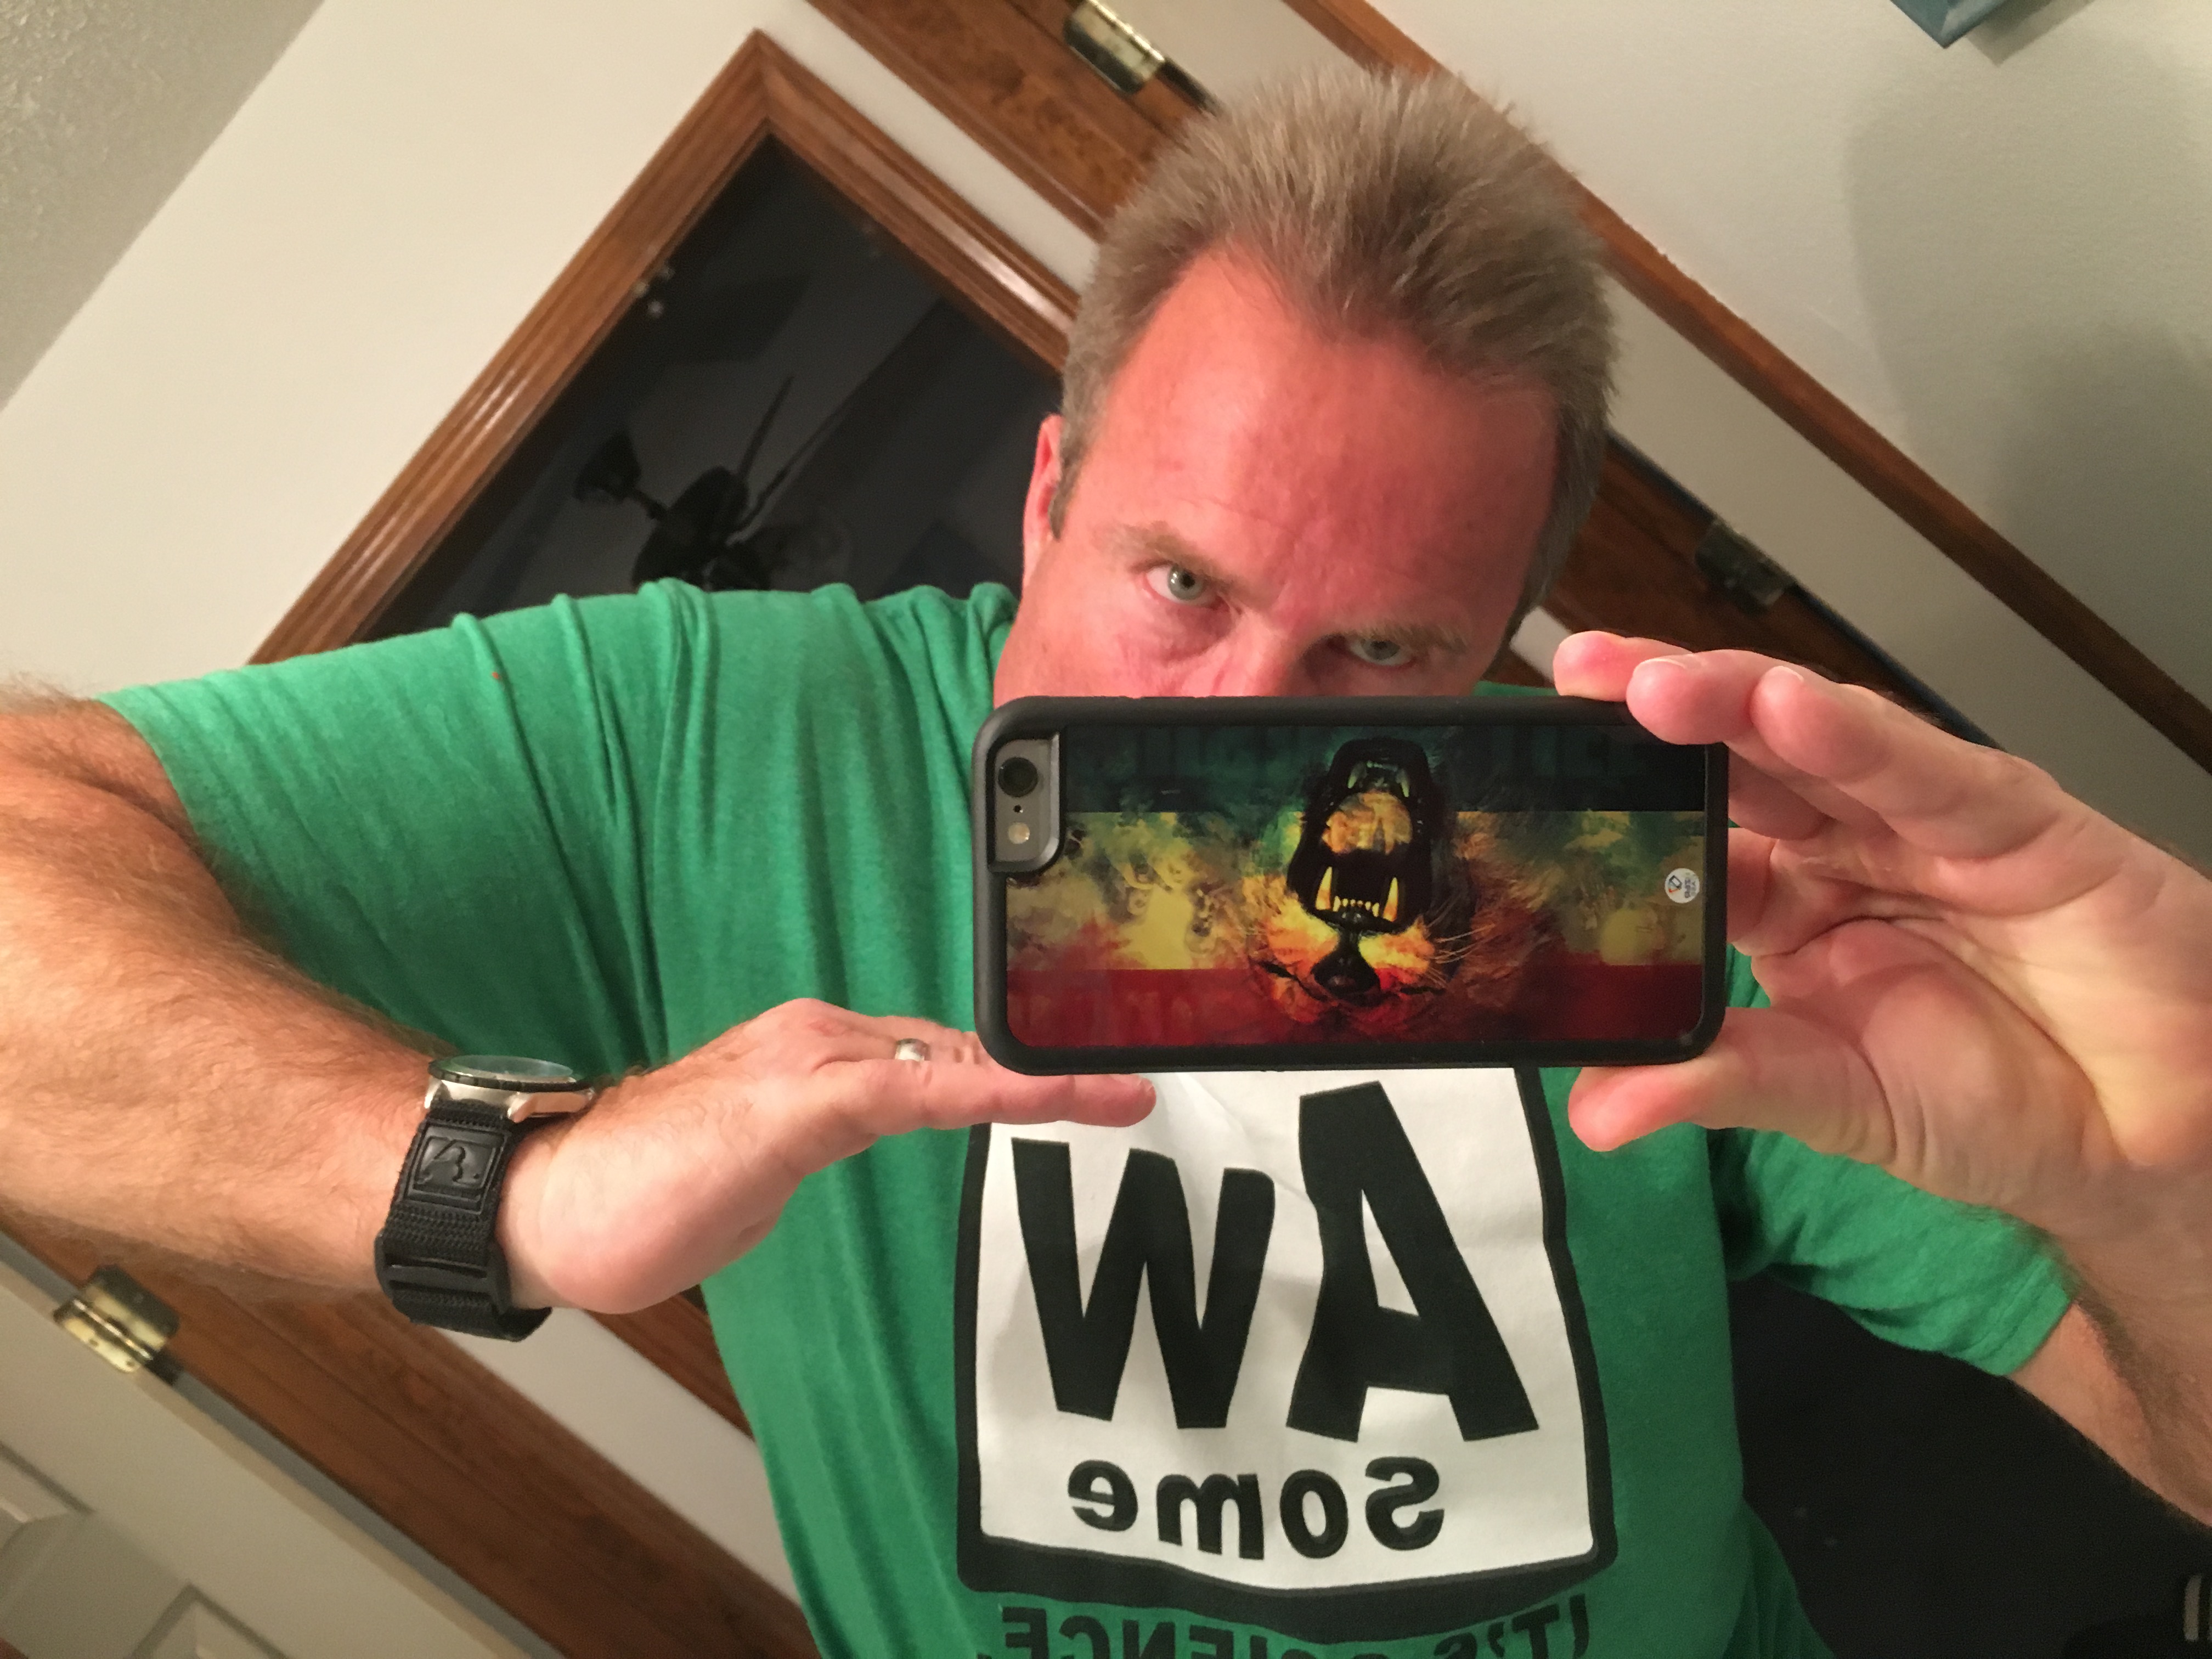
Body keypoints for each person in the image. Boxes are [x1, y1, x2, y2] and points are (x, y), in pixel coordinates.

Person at [1, 66, 2207, 1659]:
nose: (1238, 724)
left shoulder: (1626, 870)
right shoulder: (700, 744)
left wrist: (2152, 1177)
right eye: (1178, 582)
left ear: (1498, 648)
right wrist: (502, 1183)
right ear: (1050, 491)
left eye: (1380, 651)